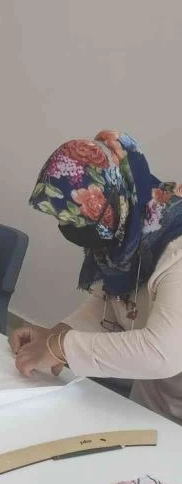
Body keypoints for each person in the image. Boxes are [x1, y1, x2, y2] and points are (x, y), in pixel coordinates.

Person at [11, 130, 182, 425]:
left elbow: (163, 352)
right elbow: (110, 305)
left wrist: (60, 347)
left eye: (75, 217)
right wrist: (54, 334)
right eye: (63, 219)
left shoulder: (174, 245)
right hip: (156, 402)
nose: (68, 227)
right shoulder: (127, 235)